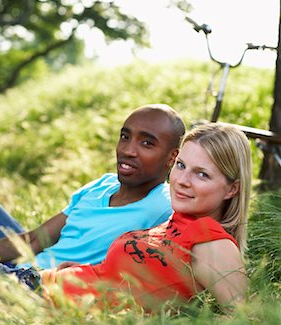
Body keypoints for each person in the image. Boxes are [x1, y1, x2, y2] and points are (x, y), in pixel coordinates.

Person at [42, 123, 251, 311]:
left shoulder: (210, 239)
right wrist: (91, 271)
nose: (182, 180)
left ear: (232, 189)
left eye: (201, 174)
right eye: (181, 165)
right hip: (43, 284)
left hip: (48, 303)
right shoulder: (175, 221)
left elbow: (246, 322)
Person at [0, 104, 186, 269]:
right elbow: (35, 240)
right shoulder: (103, 184)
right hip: (20, 268)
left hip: (38, 286)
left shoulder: (167, 205)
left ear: (172, 157)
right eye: (125, 137)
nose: (128, 150)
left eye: (147, 143)